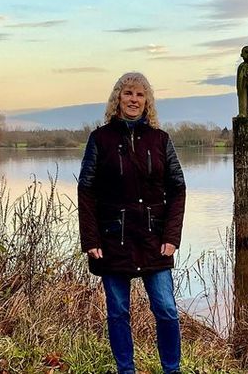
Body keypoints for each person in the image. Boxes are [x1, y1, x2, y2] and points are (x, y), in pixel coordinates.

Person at [78, 72, 186, 374]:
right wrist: (91, 239)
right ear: (117, 98)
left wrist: (172, 236)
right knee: (118, 312)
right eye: (127, 93)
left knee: (166, 310)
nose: (133, 99)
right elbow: (86, 189)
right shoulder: (100, 139)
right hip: (113, 238)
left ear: (147, 101)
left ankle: (172, 369)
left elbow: (178, 188)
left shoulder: (161, 140)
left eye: (140, 95)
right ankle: (126, 370)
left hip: (154, 240)